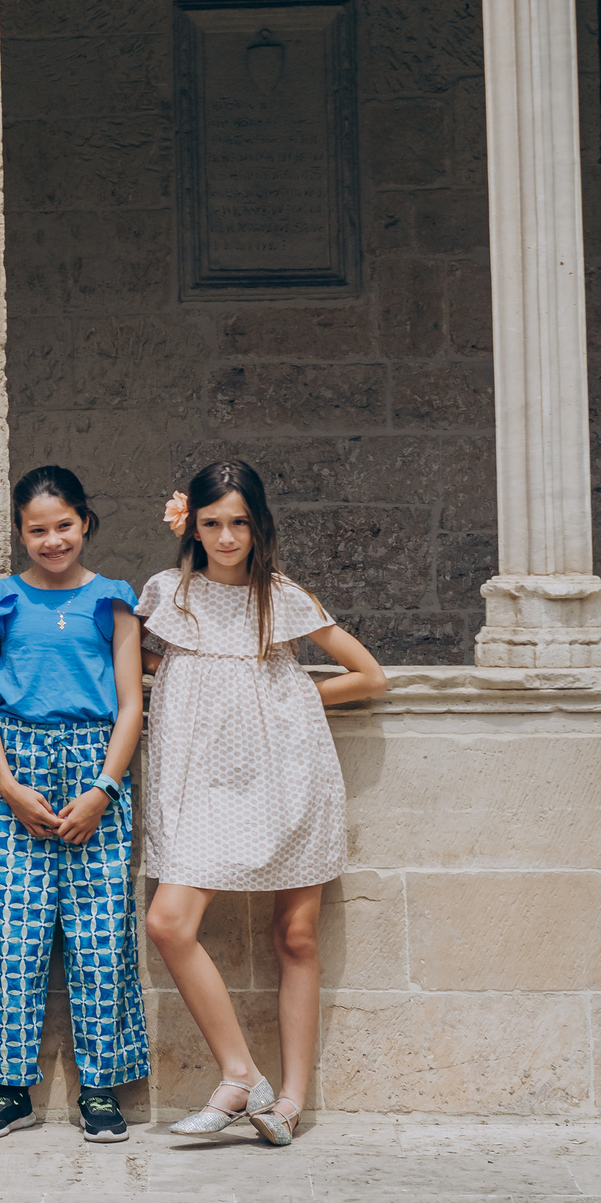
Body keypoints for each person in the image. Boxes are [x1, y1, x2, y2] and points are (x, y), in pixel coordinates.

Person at [140, 459, 388, 1146]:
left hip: (286, 773)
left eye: (238, 523)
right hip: (198, 785)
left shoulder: (280, 597)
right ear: (191, 524)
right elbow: (129, 661)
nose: (225, 537)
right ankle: (241, 1071)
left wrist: (290, 694)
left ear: (258, 526)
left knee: (297, 937)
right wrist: (176, 672)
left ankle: (290, 1103)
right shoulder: (167, 594)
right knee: (168, 922)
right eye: (212, 523)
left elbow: (370, 676)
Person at [0, 467, 146, 1145]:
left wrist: (104, 788)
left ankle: (100, 1088)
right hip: (17, 761)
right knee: (14, 930)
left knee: (101, 930)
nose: (51, 540)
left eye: (63, 525)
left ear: (85, 523)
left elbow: (131, 704)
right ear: (20, 531)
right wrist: (6, 783)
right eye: (37, 529)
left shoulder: (114, 599)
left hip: (97, 762)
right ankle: (10, 1088)